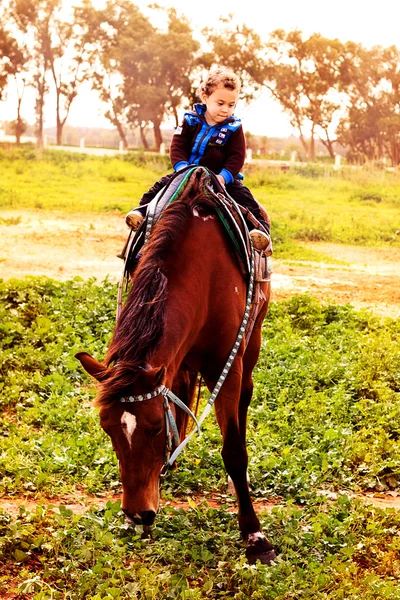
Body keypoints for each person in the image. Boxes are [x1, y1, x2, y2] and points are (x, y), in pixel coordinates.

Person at [126, 66, 271, 251]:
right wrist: (182, 169)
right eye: (220, 103)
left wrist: (224, 177)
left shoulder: (234, 127)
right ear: (205, 96)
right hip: (187, 173)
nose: (226, 109)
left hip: (221, 178)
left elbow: (237, 156)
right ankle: (142, 212)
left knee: (245, 198)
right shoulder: (189, 120)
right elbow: (177, 147)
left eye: (231, 105)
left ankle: (259, 230)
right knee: (160, 187)